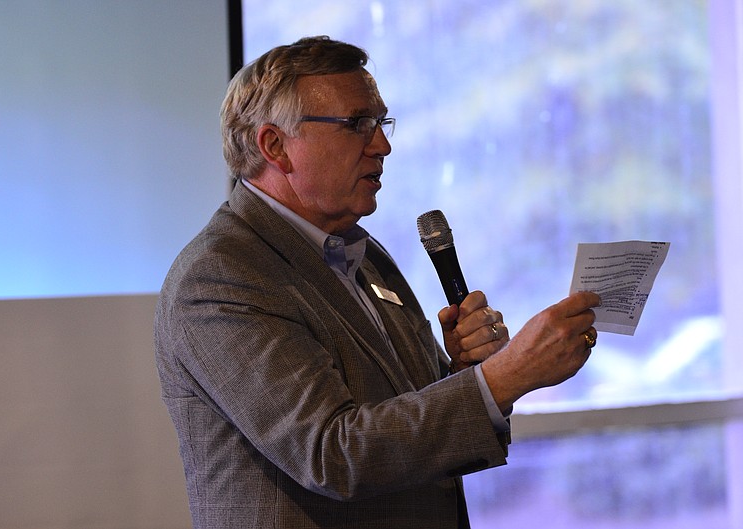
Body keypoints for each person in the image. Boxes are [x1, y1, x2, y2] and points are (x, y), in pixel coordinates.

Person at [154, 35, 600, 529]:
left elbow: (402, 428)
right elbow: (332, 454)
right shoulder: (222, 277)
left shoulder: (363, 255)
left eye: (380, 122)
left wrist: (463, 372)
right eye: (356, 125)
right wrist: (504, 378)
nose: (382, 145)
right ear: (274, 146)